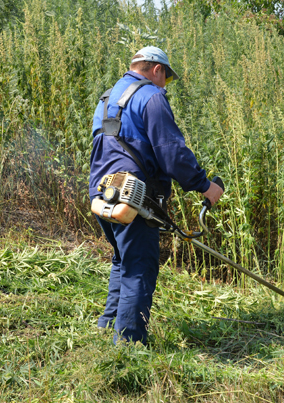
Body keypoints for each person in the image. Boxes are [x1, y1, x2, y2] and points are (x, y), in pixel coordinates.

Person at [89, 46, 223, 345]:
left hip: (101, 192)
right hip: (133, 196)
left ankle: (107, 327)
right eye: (166, 78)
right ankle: (129, 345)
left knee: (123, 260)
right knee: (139, 268)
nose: (165, 86)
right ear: (156, 69)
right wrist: (204, 185)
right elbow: (171, 153)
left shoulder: (108, 98)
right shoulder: (150, 96)